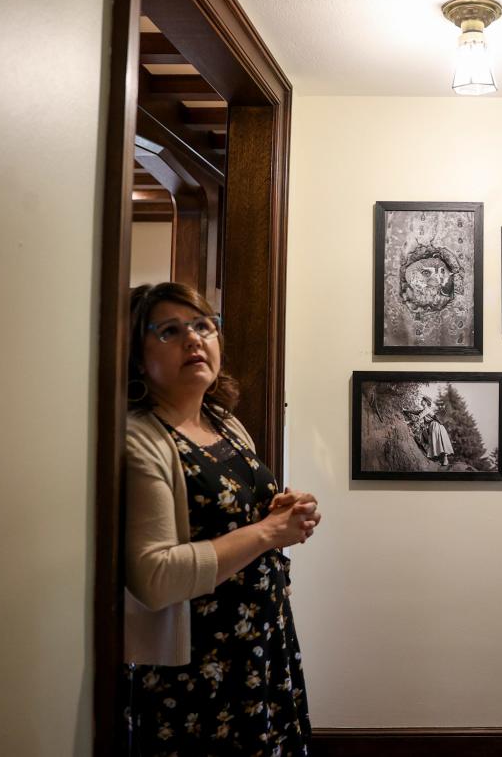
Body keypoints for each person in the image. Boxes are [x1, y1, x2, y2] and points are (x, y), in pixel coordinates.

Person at [124, 282, 319, 755]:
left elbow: (239, 523)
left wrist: (285, 513)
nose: (194, 339)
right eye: (169, 331)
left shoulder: (222, 422)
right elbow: (152, 576)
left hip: (261, 637)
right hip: (197, 662)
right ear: (135, 353)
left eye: (202, 326)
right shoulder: (137, 439)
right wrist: (268, 531)